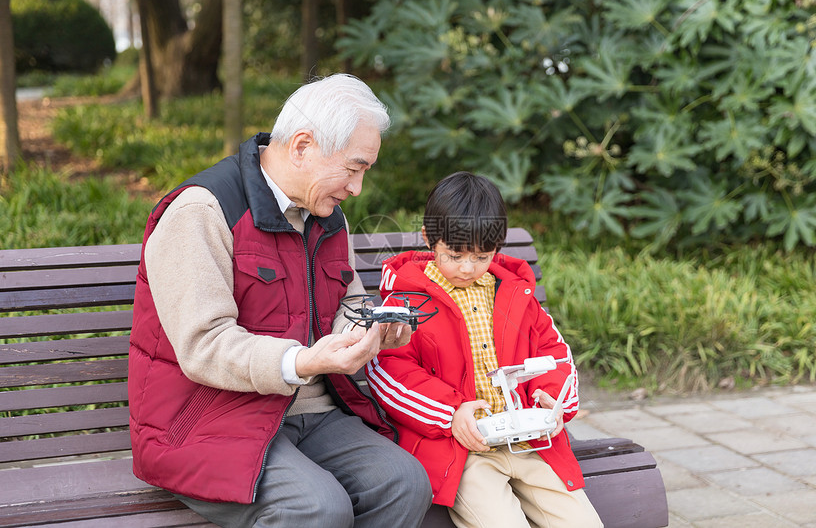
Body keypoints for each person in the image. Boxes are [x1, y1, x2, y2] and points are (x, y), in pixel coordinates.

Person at [128, 73, 432, 528]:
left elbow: (347, 307)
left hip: (313, 412)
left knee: (404, 483)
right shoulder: (201, 211)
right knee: (315, 507)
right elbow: (204, 345)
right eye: (353, 168)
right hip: (206, 419)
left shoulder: (328, 216)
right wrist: (304, 362)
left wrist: (374, 328)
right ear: (303, 146)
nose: (357, 188)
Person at [366, 172, 603, 528]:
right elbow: (389, 371)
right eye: (454, 255)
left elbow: (555, 352)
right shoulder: (406, 301)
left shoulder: (512, 293)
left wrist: (552, 400)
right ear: (430, 238)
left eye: (480, 256)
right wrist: (451, 413)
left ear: (497, 248)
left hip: (529, 441)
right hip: (463, 451)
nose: (467, 268)